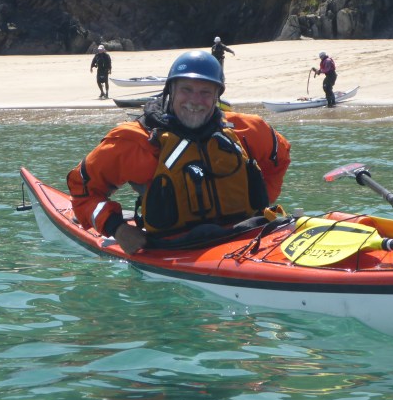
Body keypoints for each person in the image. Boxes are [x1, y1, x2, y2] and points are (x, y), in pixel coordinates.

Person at [67, 50, 291, 255]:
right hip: (174, 246)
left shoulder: (248, 130)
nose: (195, 101)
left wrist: (265, 198)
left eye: (205, 92)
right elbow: (82, 189)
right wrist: (117, 228)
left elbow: (280, 158)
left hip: (250, 236)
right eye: (186, 90)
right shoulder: (135, 142)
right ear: (170, 91)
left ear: (217, 96)